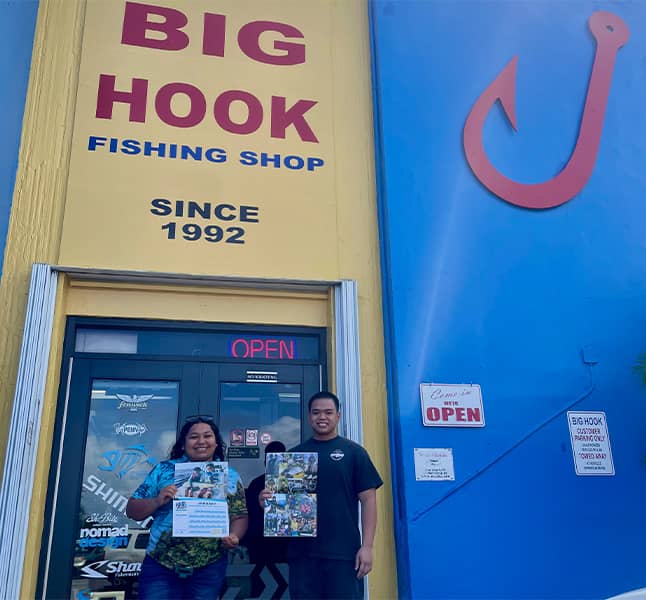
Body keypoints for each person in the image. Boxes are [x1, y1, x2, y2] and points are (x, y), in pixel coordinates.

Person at [261, 391, 383, 600]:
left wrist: (368, 547)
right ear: (309, 417)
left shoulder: (354, 453)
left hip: (344, 554)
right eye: (316, 412)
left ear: (338, 416)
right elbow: (282, 507)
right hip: (303, 555)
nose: (322, 417)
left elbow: (369, 500)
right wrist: (267, 501)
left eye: (328, 412)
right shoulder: (293, 457)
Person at [126, 416, 248, 600]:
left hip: (209, 566)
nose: (201, 441)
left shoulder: (230, 476)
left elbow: (239, 515)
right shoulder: (164, 470)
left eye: (207, 436)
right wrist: (157, 501)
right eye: (193, 437)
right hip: (161, 564)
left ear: (216, 443)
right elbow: (132, 510)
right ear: (183, 444)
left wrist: (234, 536)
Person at [243, 440, 288, 597]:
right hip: (260, 547)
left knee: (285, 588)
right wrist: (261, 506)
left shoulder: (295, 484)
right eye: (271, 459)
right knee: (260, 588)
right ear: (264, 462)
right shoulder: (256, 484)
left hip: (287, 548)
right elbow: (249, 517)